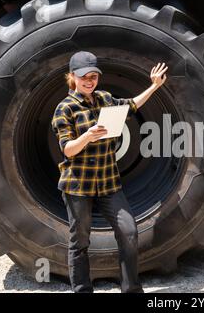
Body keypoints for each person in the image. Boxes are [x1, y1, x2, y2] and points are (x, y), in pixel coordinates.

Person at [51, 51, 168, 293]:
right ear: (72, 76)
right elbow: (68, 150)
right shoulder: (65, 109)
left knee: (129, 231)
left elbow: (132, 105)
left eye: (93, 76)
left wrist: (154, 86)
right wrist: (87, 136)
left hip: (107, 184)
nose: (89, 81)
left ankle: (131, 289)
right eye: (84, 76)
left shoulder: (104, 98)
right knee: (80, 242)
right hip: (78, 187)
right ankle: (82, 290)